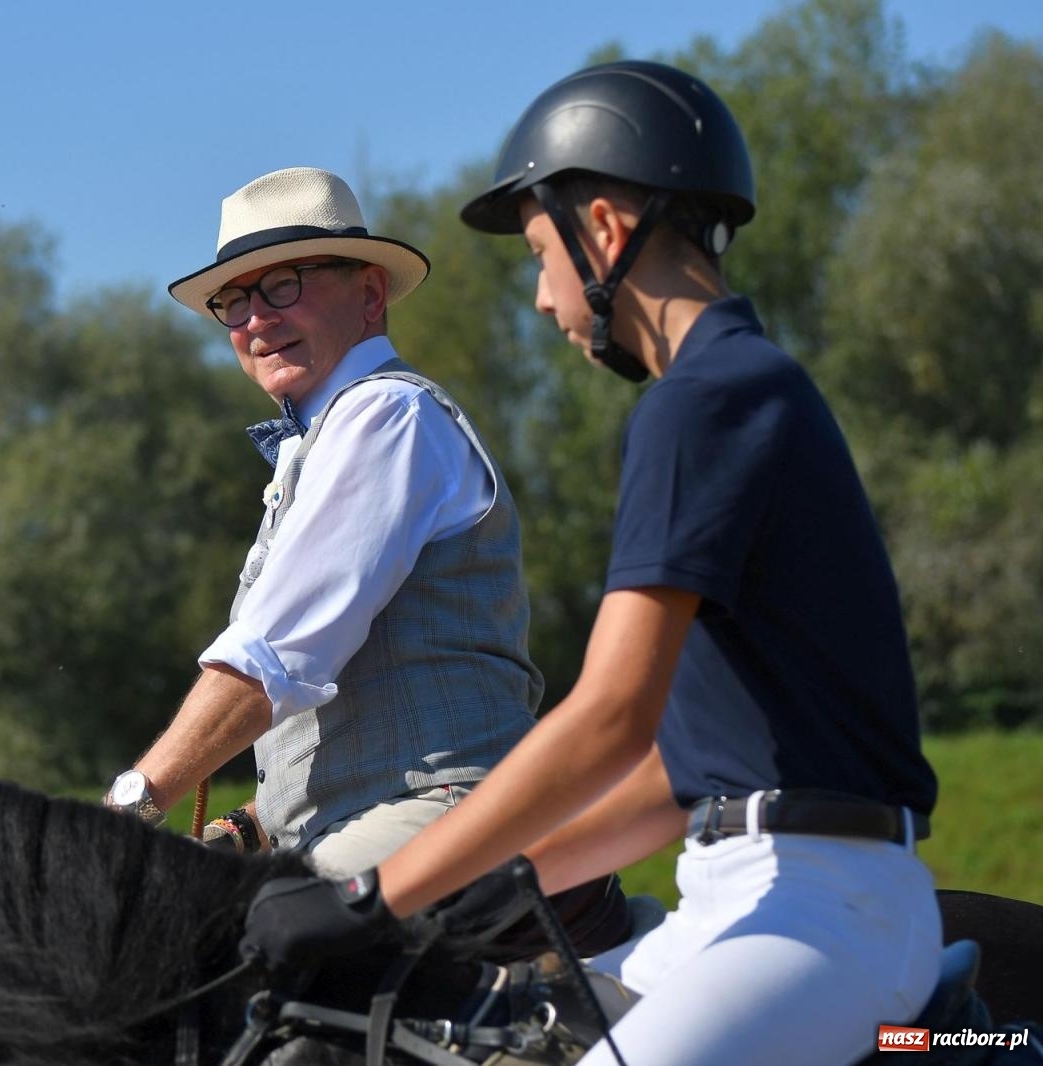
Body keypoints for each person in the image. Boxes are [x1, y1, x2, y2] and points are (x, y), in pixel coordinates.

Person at [240, 63, 943, 1066]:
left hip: (822, 908)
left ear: (604, 232)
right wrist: (490, 879)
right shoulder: (734, 390)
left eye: (538, 255)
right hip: (734, 891)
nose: (538, 298)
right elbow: (673, 771)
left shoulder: (703, 399)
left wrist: (376, 896)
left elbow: (609, 716)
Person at [103, 166, 626, 953]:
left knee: (211, 959)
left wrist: (132, 805)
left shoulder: (385, 414)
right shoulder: (321, 445)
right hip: (367, 825)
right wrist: (249, 827)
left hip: (450, 815)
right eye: (234, 301)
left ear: (370, 295)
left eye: (282, 285)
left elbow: (274, 657)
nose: (254, 319)